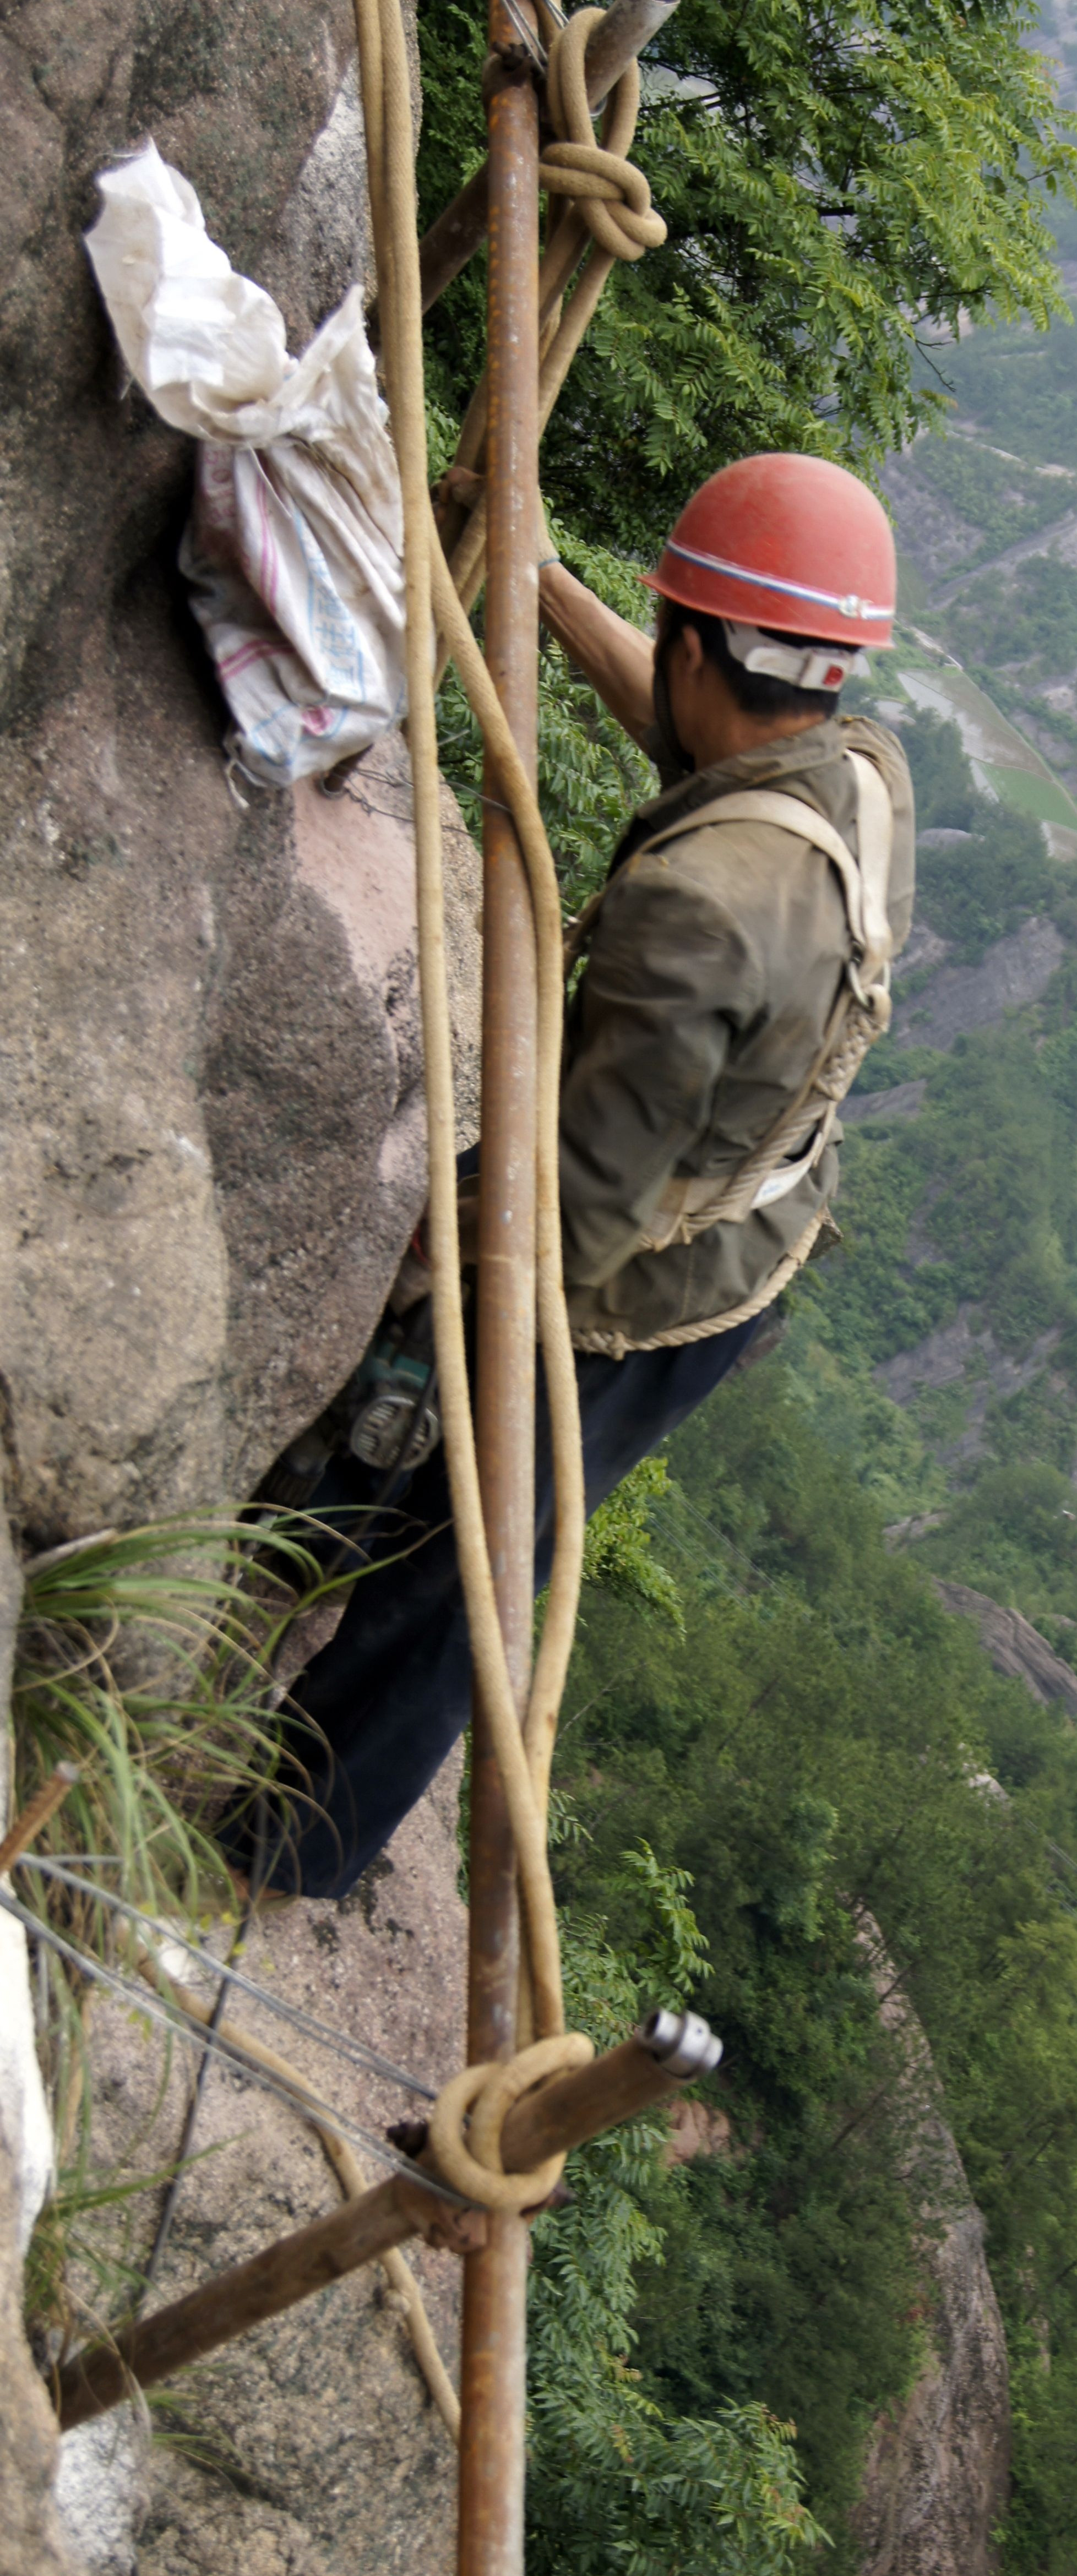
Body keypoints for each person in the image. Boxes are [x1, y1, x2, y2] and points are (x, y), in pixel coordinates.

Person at [226, 451, 914, 1899]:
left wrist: (443, 1265)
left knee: (468, 1561)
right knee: (427, 1404)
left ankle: (287, 1847)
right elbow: (698, 734)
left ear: (698, 647)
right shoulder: (857, 773)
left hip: (646, 1280)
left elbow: (579, 1223)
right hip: (747, 1207)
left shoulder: (699, 910)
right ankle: (296, 1553)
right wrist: (537, 582)